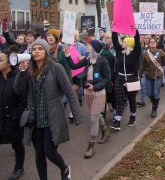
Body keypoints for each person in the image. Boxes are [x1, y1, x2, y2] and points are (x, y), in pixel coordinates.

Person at [14, 39, 82, 180]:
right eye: (34, 49)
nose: (36, 51)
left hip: (53, 117)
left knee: (49, 152)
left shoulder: (56, 68)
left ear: (46, 52)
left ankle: (64, 168)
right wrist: (21, 72)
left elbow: (69, 92)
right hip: (36, 119)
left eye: (40, 49)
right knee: (39, 155)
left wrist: (77, 115)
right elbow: (18, 90)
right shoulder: (29, 70)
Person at [64, 40, 111, 158]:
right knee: (95, 114)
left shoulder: (103, 61)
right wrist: (67, 55)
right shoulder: (87, 59)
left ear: (94, 48)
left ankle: (91, 146)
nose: (87, 46)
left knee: (93, 117)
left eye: (89, 45)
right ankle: (105, 132)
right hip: (87, 92)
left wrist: (95, 86)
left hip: (98, 92)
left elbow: (107, 79)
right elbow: (73, 66)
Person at [0, 49, 26, 180]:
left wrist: (17, 115)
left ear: (9, 62)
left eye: (0, 60)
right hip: (1, 116)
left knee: (16, 143)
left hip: (14, 117)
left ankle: (19, 167)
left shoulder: (18, 75)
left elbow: (23, 98)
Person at [139, 38, 165, 117]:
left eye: (153, 42)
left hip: (158, 76)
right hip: (149, 75)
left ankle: (154, 109)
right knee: (149, 93)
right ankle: (155, 101)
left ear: (156, 43)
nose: (152, 43)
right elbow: (142, 65)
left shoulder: (160, 52)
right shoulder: (146, 53)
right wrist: (139, 74)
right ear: (149, 44)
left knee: (156, 93)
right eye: (151, 42)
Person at [110, 30, 141, 131]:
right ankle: (117, 121)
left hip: (132, 78)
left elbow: (137, 43)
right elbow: (114, 40)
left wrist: (136, 31)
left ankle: (133, 117)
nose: (122, 43)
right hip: (120, 78)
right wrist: (113, 29)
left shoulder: (135, 53)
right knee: (120, 99)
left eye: (124, 42)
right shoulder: (119, 52)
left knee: (132, 99)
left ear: (129, 44)